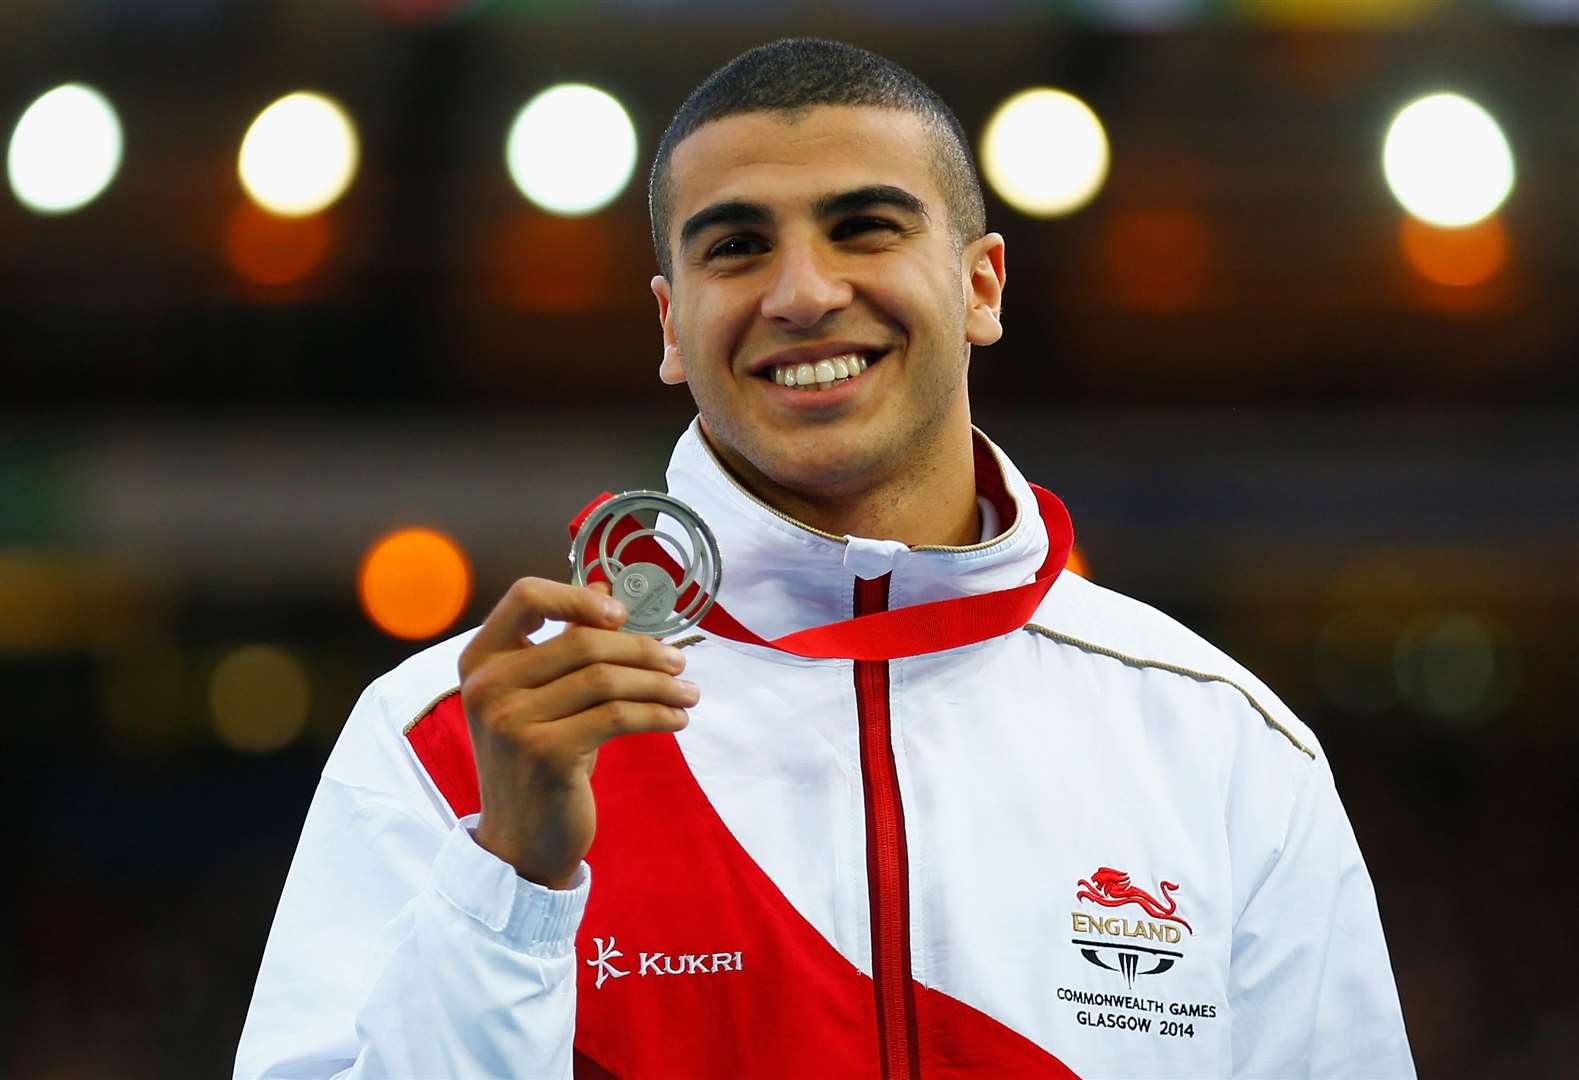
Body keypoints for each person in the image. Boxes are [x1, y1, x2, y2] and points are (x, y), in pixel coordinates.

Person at [235, 38, 1415, 1079]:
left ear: (981, 284)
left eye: (865, 228)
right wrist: (508, 887)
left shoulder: (1213, 743)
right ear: (668, 323)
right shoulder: (451, 741)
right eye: (738, 247)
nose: (802, 294)